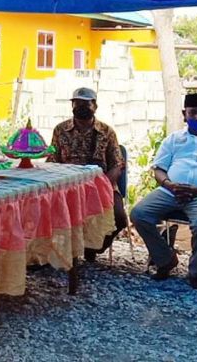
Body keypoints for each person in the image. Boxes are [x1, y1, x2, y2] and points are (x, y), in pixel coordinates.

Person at [131, 93, 197, 288]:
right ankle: (166, 259)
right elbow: (159, 169)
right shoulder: (173, 139)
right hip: (170, 191)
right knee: (139, 214)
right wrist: (169, 184)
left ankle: (196, 270)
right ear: (184, 114)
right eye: (193, 113)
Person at [47, 87, 126, 262]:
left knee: (120, 218)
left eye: (86, 104)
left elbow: (118, 164)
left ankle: (93, 247)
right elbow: (52, 160)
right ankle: (55, 254)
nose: (81, 107)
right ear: (72, 105)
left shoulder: (107, 131)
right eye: (77, 103)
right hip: (67, 187)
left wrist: (103, 185)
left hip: (101, 186)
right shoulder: (60, 130)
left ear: (95, 106)